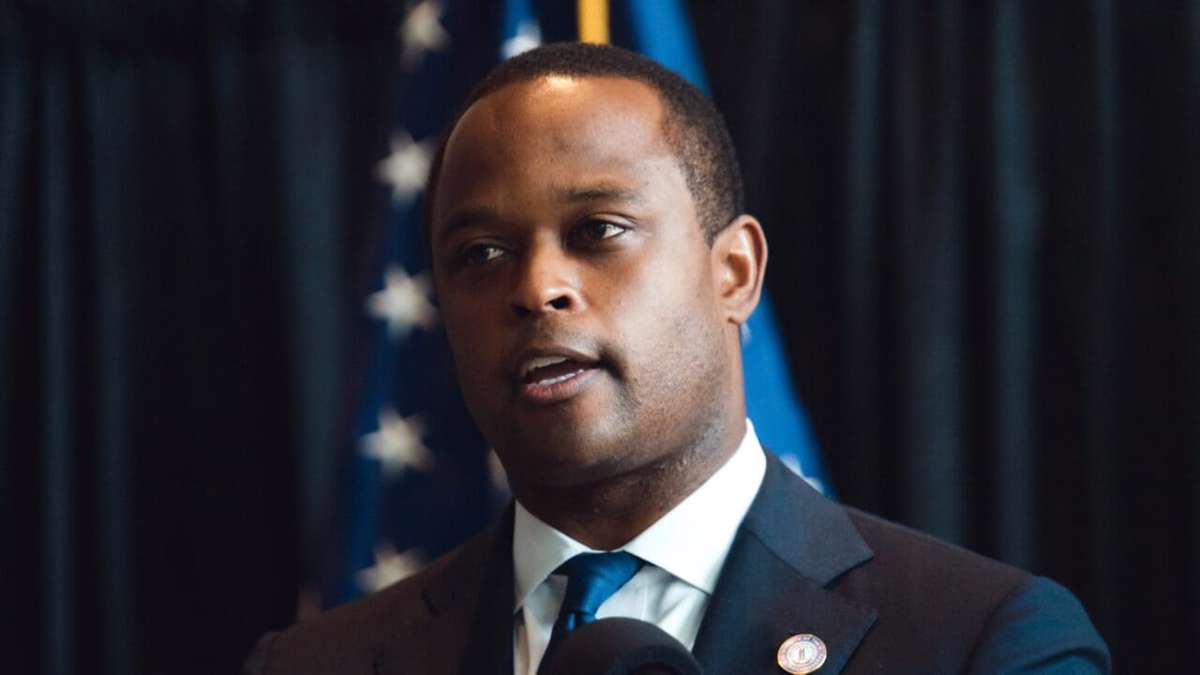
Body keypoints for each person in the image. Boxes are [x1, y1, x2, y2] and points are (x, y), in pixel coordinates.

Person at [244, 43, 1109, 675]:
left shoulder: (982, 642)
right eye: (482, 253)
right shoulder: (315, 664)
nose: (537, 288)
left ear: (734, 272)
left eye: (598, 230)